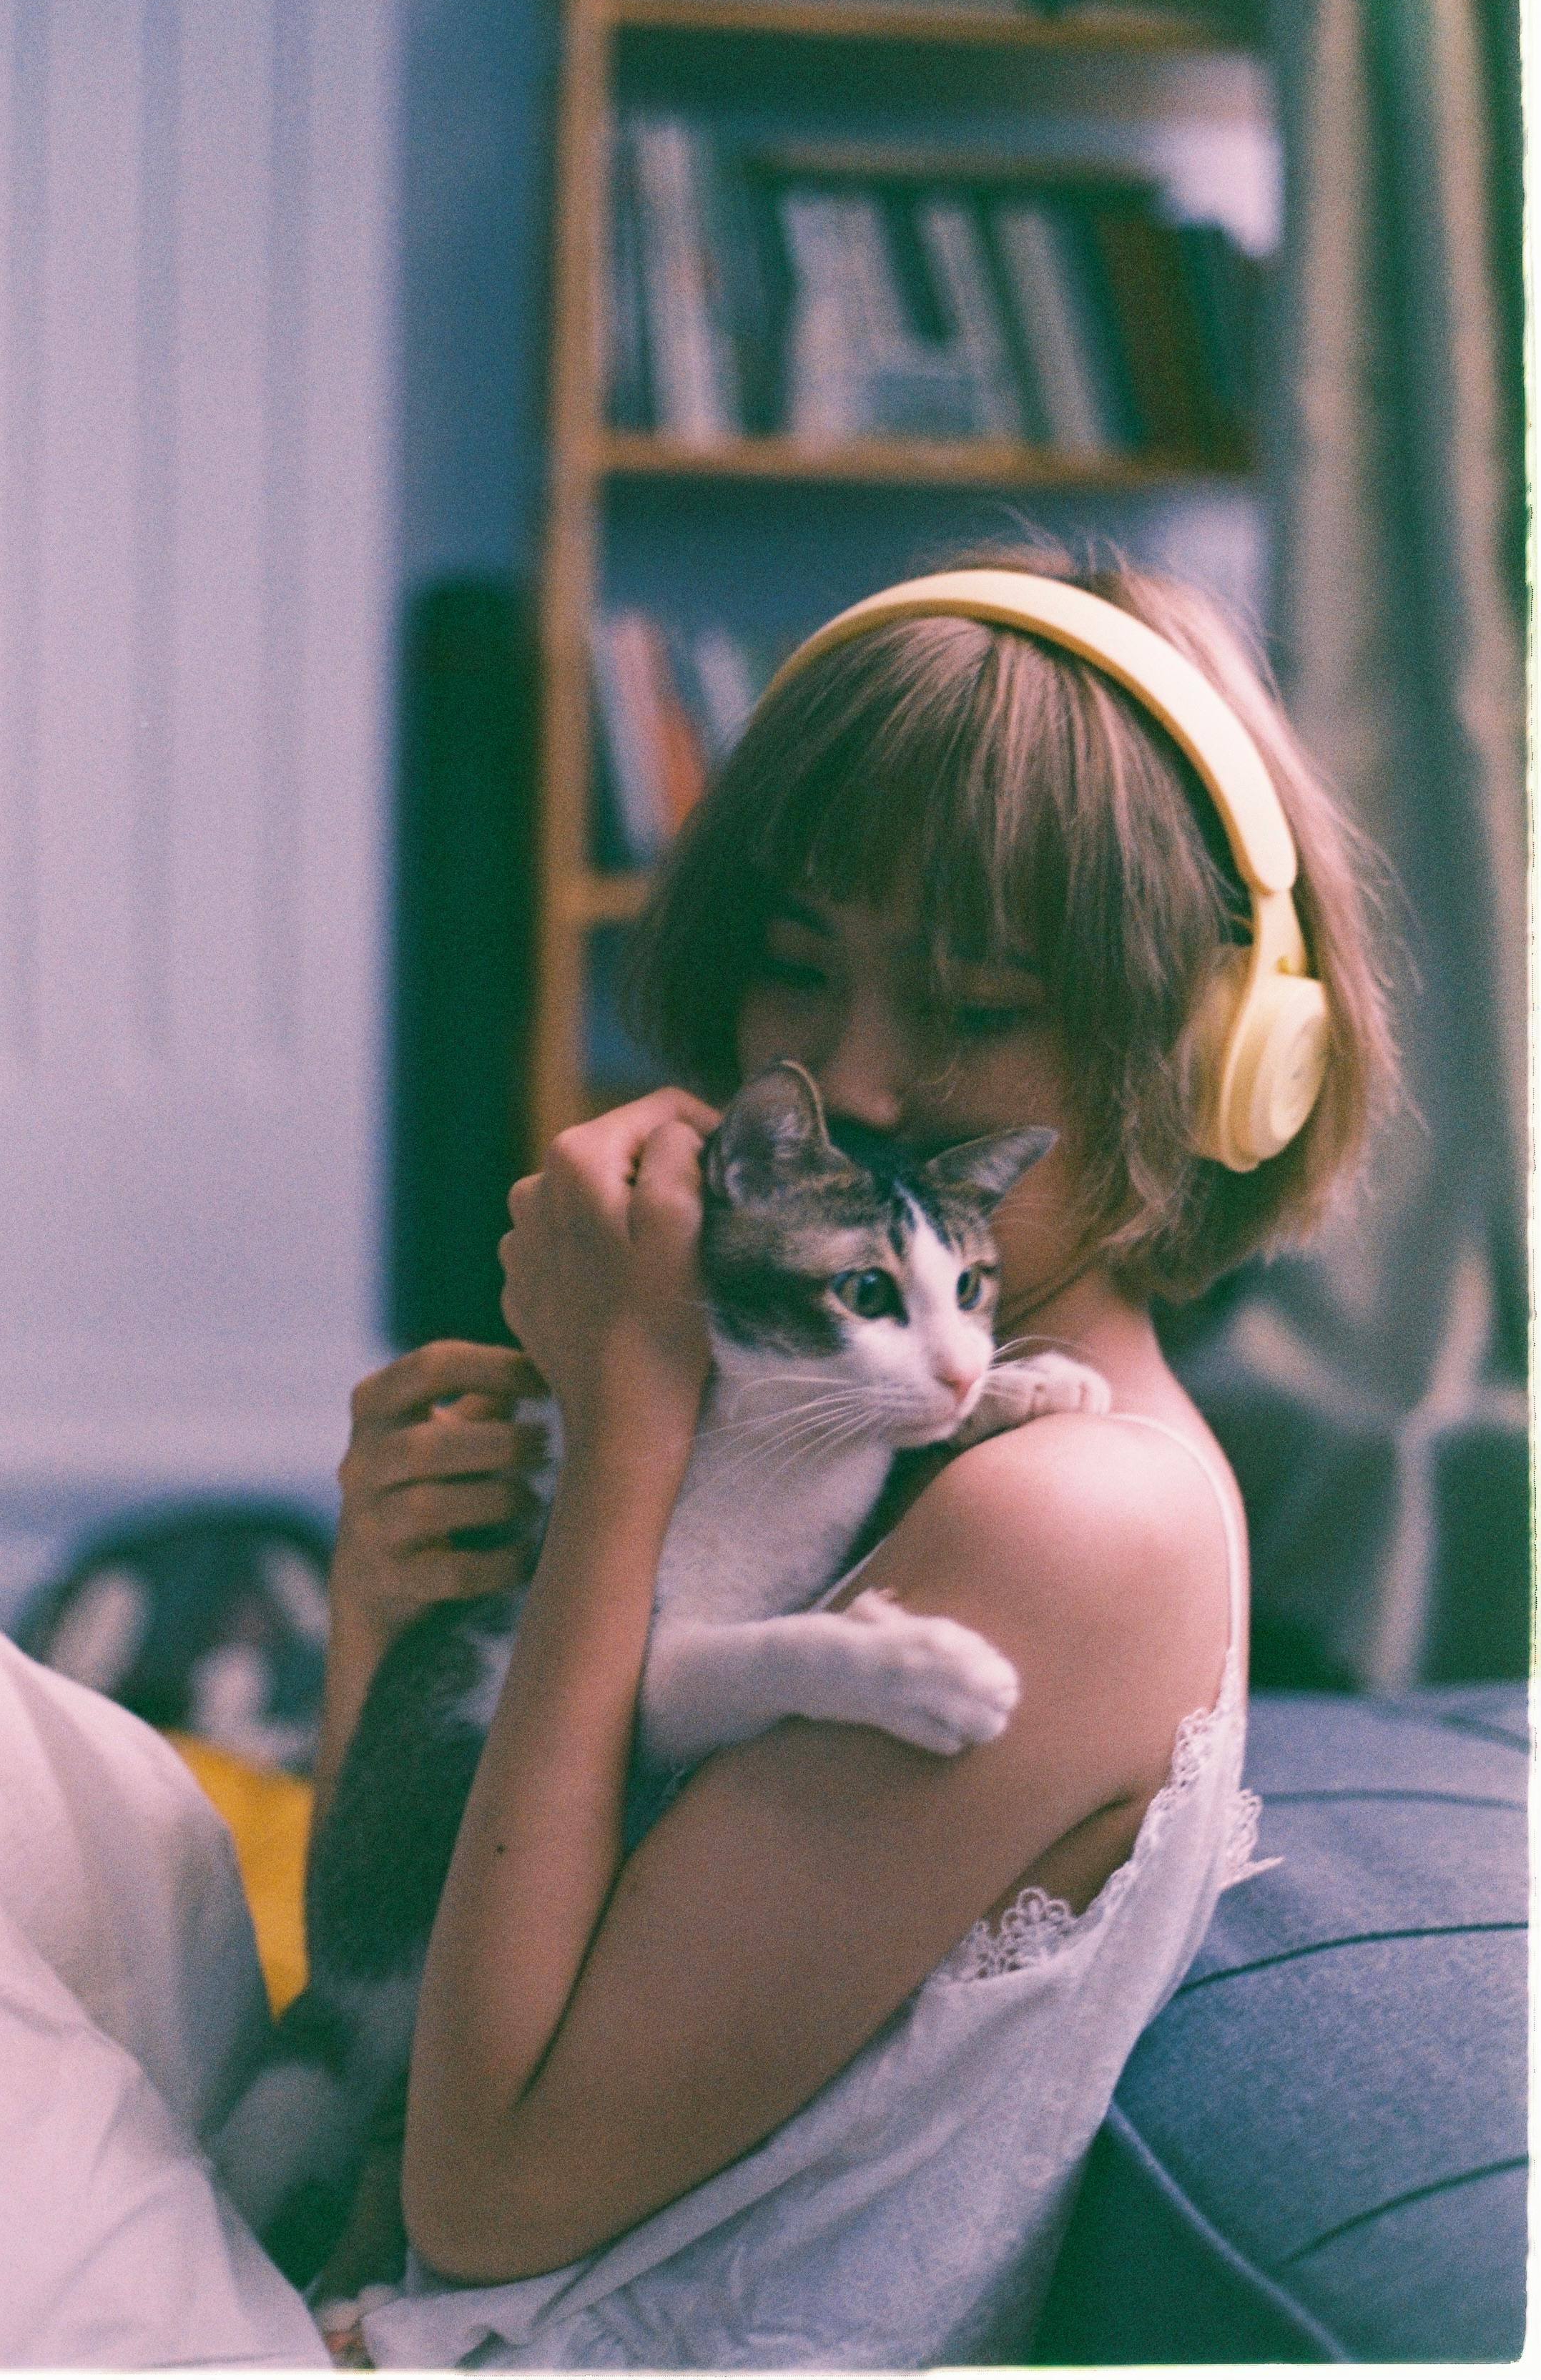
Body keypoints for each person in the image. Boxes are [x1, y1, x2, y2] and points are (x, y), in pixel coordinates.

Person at [317, 546, 1395, 2369]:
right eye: (795, 971)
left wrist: (636, 1423)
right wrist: (399, 1620)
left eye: (977, 1007)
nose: (858, 1078)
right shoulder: (899, 1433)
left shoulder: (1072, 1519)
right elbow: (394, 1992)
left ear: (1218, 1057)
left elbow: (482, 2189)